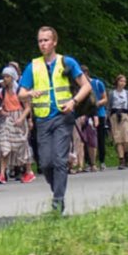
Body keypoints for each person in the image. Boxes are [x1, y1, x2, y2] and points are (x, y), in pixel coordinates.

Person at [21, 26, 90, 214]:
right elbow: (21, 93)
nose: (43, 44)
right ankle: (57, 190)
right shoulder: (33, 66)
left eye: (46, 40)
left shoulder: (67, 62)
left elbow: (86, 86)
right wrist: (29, 93)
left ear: (54, 42)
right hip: (42, 119)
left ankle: (58, 201)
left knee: (59, 160)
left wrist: (73, 102)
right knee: (45, 163)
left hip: (63, 116)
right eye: (40, 41)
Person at [0, 65, 30, 183]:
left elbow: (27, 108)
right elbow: (0, 105)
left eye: (8, 76)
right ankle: (2, 173)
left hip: (19, 117)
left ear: (13, 77)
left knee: (22, 145)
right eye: (4, 76)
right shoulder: (2, 91)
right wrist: (2, 111)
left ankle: (28, 171)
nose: (5, 79)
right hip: (8, 119)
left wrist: (22, 119)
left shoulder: (19, 91)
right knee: (4, 145)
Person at [107, 73, 128, 170]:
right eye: (121, 81)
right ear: (117, 82)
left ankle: (126, 154)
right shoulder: (112, 93)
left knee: (126, 139)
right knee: (118, 139)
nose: (123, 83)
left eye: (124, 81)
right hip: (115, 117)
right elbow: (109, 107)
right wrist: (107, 120)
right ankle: (121, 160)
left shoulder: (127, 93)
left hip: (125, 116)